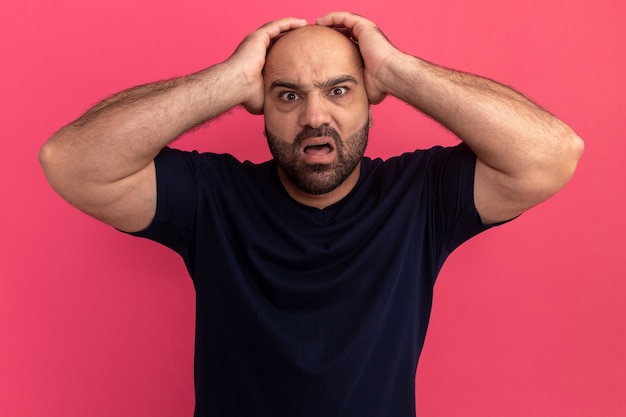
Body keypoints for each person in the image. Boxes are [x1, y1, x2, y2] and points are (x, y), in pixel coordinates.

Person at [39, 11, 583, 417]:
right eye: (288, 96)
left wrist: (396, 67)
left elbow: (551, 155)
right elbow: (70, 162)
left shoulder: (421, 197)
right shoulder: (212, 196)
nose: (314, 116)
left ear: (371, 97)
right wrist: (227, 81)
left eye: (339, 91)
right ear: (261, 107)